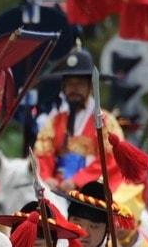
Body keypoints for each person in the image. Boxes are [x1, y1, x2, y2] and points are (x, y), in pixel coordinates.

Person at [33, 45, 124, 192]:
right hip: (58, 189)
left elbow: (112, 160)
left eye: (80, 84)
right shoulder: (54, 121)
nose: (74, 89)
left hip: (92, 190)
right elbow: (43, 154)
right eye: (70, 84)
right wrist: (47, 177)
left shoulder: (106, 122)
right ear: (63, 87)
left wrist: (78, 181)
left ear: (90, 86)